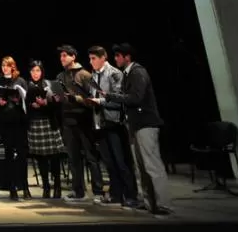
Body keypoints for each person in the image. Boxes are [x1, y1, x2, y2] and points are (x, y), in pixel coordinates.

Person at [104, 43, 172, 215]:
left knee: (152, 165)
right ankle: (149, 202)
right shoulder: (128, 74)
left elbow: (136, 98)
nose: (116, 59)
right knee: (141, 166)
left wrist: (111, 96)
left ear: (128, 57)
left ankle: (163, 203)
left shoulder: (137, 72)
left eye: (119, 55)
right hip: (134, 125)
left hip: (146, 124)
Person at [85, 46, 139, 207]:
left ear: (103, 58)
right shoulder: (94, 75)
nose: (91, 62)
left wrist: (100, 101)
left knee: (121, 161)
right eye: (90, 59)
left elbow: (119, 100)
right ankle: (116, 194)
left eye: (94, 58)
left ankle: (131, 195)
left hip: (114, 122)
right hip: (100, 123)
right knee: (109, 161)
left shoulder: (114, 73)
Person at [55, 44, 104, 202]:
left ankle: (98, 192)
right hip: (67, 120)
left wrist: (74, 98)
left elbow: (93, 99)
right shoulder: (60, 76)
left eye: (64, 55)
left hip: (83, 119)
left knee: (90, 156)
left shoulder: (84, 75)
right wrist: (54, 97)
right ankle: (78, 191)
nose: (62, 59)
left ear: (73, 57)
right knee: (73, 157)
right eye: (60, 56)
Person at [25, 61, 64, 199]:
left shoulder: (49, 84)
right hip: (35, 124)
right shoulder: (27, 86)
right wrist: (31, 105)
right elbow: (25, 106)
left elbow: (56, 106)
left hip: (48, 123)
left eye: (38, 70)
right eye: (33, 71)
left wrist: (45, 104)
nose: (35, 73)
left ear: (42, 72)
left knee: (54, 157)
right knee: (40, 158)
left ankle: (57, 186)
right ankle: (46, 186)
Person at [0, 56, 30, 200]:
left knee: (22, 156)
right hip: (5, 122)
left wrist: (19, 99)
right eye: (3, 65)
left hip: (19, 122)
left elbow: (27, 99)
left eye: (7, 65)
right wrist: (0, 102)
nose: (5, 68)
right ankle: (12, 188)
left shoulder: (20, 80)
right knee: (9, 154)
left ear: (13, 66)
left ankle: (25, 186)